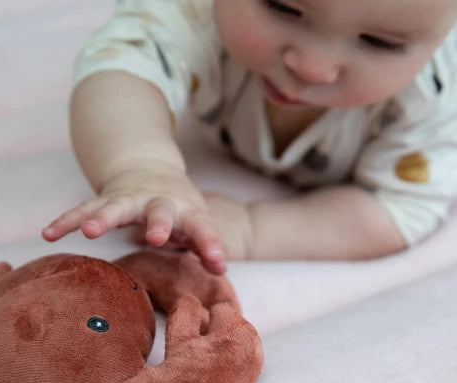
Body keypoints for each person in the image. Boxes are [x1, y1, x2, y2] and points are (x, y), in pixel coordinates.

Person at [42, 0, 457, 275]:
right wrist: (140, 167)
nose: (312, 66)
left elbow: (401, 208)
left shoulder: (435, 91)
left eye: (380, 42)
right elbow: (124, 65)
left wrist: (253, 229)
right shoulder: (196, 12)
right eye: (283, 6)